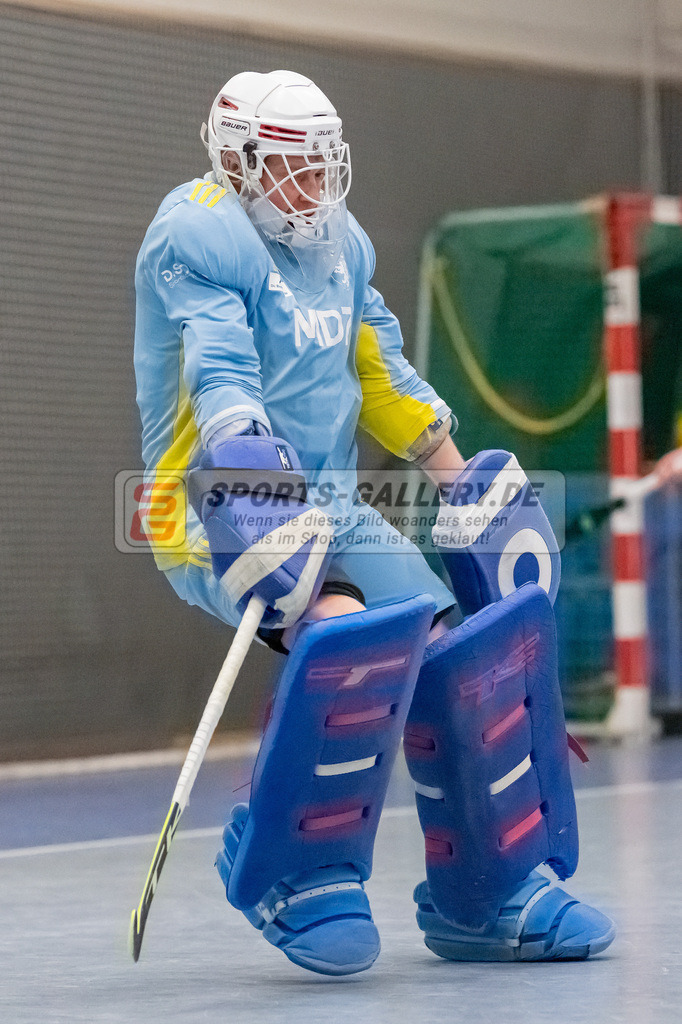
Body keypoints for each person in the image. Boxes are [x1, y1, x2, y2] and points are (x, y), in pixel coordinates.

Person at [134, 69, 614, 976]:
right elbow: (219, 365)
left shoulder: (341, 246)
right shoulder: (195, 235)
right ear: (236, 161)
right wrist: (247, 462)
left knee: (461, 653)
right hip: (216, 499)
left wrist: (458, 475)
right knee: (349, 641)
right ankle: (299, 877)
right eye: (290, 167)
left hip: (338, 507)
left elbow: (382, 373)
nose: (312, 185)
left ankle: (488, 893)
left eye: (322, 164)